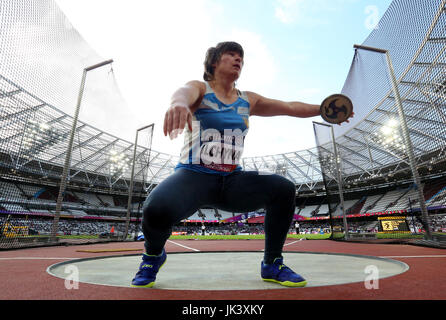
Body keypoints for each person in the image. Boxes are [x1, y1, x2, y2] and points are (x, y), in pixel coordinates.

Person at [131, 41, 352, 288]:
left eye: (241, 57)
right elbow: (183, 92)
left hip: (232, 180)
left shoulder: (249, 100)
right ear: (214, 62)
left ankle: (272, 264)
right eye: (232, 54)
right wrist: (179, 104)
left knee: (283, 189)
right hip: (193, 176)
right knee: (155, 208)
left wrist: (324, 110)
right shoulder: (200, 89)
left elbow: (289, 107)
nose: (238, 59)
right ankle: (152, 257)